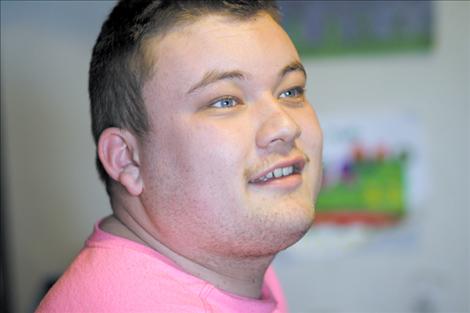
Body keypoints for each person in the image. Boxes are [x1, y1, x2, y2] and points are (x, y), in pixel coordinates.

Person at [36, 0, 323, 312]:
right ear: (127, 160)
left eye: (291, 91)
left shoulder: (234, 269)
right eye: (225, 101)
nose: (285, 125)